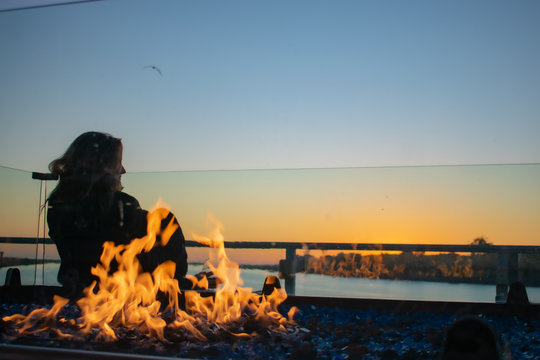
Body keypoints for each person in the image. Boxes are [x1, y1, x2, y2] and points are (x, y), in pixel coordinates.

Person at [47, 131, 188, 294]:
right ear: (103, 168)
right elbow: (173, 263)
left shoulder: (58, 206)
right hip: (127, 294)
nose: (123, 170)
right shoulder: (122, 207)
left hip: (78, 291)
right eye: (118, 163)